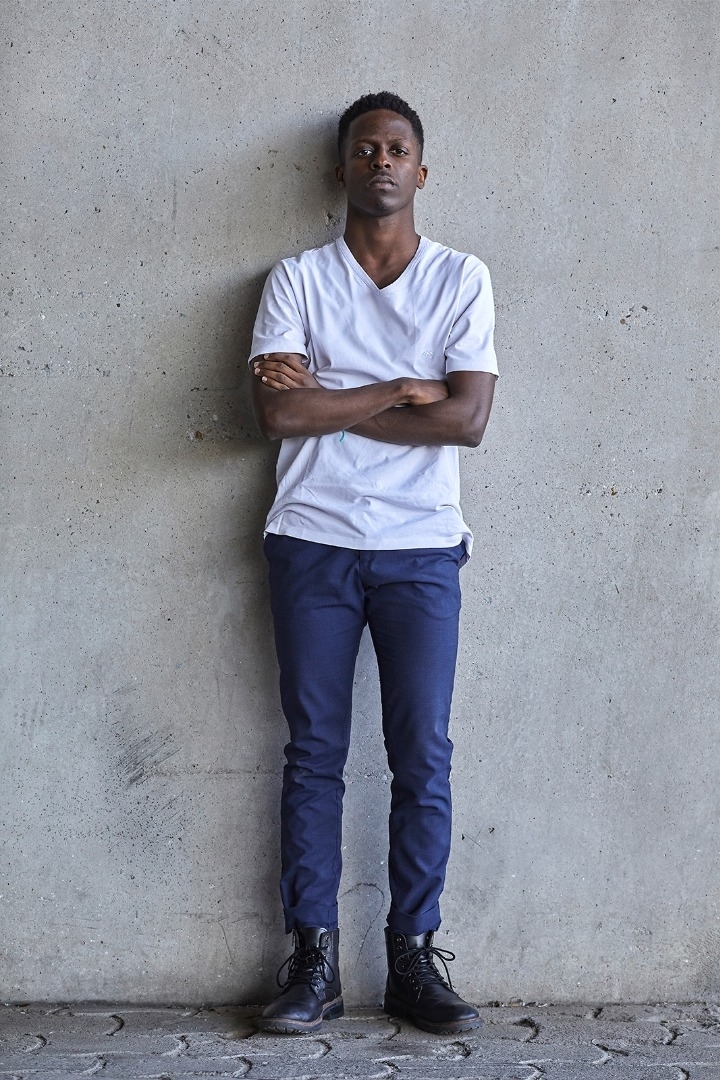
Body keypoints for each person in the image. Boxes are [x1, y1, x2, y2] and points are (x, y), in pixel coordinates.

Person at [249, 91, 498, 1035]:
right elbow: (279, 413)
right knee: (314, 754)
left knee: (422, 755)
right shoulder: (296, 279)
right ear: (342, 169)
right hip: (311, 537)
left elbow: (466, 421)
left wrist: (334, 397)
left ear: (420, 172)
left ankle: (412, 961)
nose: (381, 162)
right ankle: (313, 964)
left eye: (397, 149)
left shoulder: (460, 277)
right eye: (365, 149)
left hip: (422, 547)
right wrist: (398, 387)